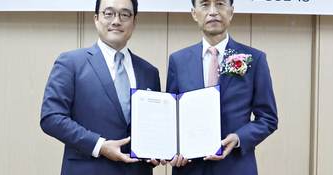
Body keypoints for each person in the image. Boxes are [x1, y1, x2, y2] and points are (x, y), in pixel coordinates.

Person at [40, 0, 161, 174]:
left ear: (134, 21)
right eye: (108, 13)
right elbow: (51, 118)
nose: (116, 21)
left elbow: (154, 126)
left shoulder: (149, 72)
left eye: (125, 14)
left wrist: (159, 150)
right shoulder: (70, 63)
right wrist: (99, 145)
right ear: (96, 18)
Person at [165, 0, 278, 174]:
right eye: (204, 5)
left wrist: (239, 138)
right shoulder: (178, 61)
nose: (213, 11)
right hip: (190, 168)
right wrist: (172, 149)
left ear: (231, 12)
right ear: (194, 13)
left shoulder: (254, 59)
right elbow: (171, 117)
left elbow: (268, 119)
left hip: (236, 166)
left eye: (219, 4)